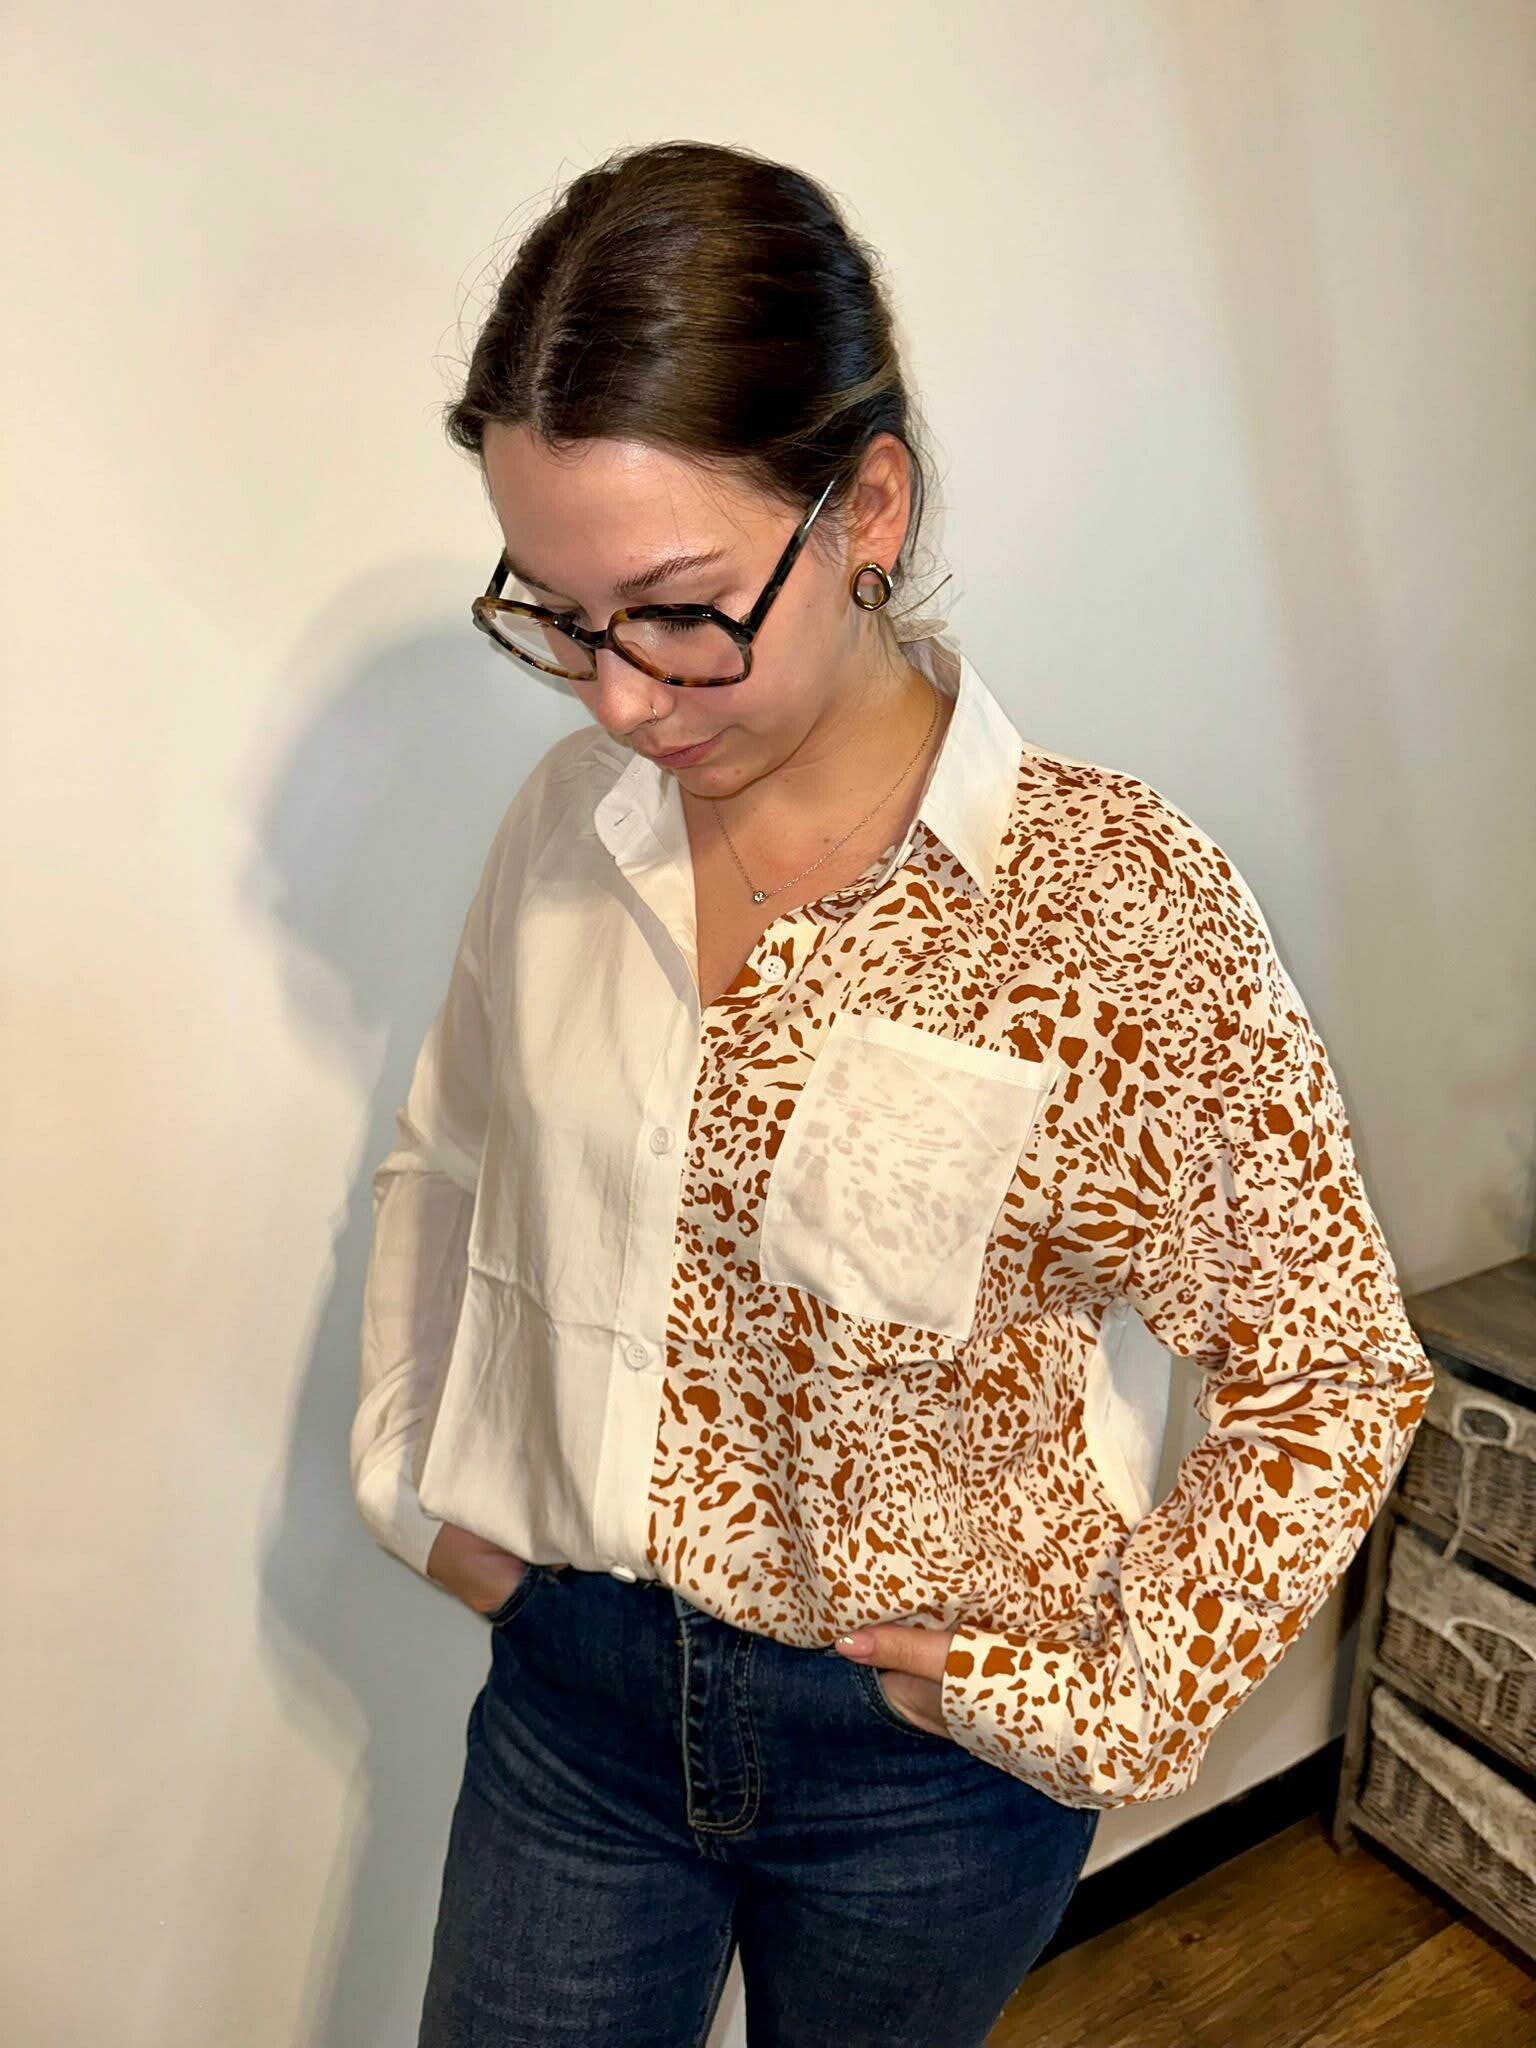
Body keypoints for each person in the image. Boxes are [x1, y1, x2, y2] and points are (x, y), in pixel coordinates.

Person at [351, 139, 1435, 2048]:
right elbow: (450, 1155)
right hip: (573, 1701)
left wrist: (1110, 1705)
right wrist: (407, 1481)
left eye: (678, 608)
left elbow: (1328, 1370)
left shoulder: (1109, 908)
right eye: (559, 616)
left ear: (866, 503)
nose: (618, 697)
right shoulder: (569, 825)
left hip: (922, 1769)